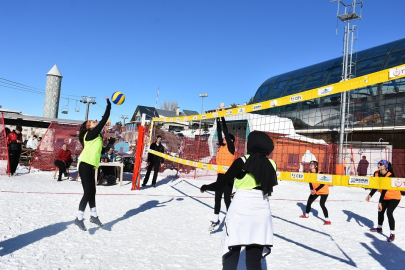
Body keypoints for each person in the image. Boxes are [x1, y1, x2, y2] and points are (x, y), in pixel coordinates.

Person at [200, 131, 277, 270]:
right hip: (262, 212)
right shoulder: (272, 164)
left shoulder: (242, 161)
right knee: (254, 262)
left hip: (241, 209)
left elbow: (220, 183)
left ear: (253, 144)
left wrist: (205, 186)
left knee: (232, 252)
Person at [75, 96, 111, 231]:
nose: (94, 121)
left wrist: (111, 144)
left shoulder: (97, 137)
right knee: (88, 191)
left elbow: (102, 151)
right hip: (85, 164)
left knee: (92, 191)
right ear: (88, 127)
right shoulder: (91, 134)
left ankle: (94, 216)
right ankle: (79, 219)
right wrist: (108, 104)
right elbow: (104, 119)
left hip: (90, 165)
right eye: (91, 121)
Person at [210, 116, 235, 231]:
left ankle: (231, 220)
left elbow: (225, 131)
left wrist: (223, 118)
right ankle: (216, 219)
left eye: (226, 139)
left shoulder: (231, 147)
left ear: (231, 141)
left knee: (226, 200)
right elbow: (220, 133)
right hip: (220, 176)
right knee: (217, 198)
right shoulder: (221, 146)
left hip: (228, 177)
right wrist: (217, 120)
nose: (224, 139)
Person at [366, 159, 400, 242]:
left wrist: (380, 202)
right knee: (380, 211)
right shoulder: (376, 173)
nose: (379, 165)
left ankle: (392, 233)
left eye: (381, 164)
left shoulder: (390, 175)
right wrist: (370, 195)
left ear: (385, 166)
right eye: (378, 163)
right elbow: (375, 186)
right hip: (385, 197)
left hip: (394, 196)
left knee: (389, 213)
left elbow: (384, 190)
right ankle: (379, 227)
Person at [299, 160, 331, 225]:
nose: (310, 165)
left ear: (316, 166)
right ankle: (306, 215)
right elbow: (310, 182)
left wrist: (315, 190)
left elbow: (322, 184)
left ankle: (327, 220)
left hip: (324, 191)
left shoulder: (320, 173)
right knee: (309, 201)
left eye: (312, 164)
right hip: (315, 191)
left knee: (322, 204)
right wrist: (311, 189)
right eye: (310, 164)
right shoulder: (309, 172)